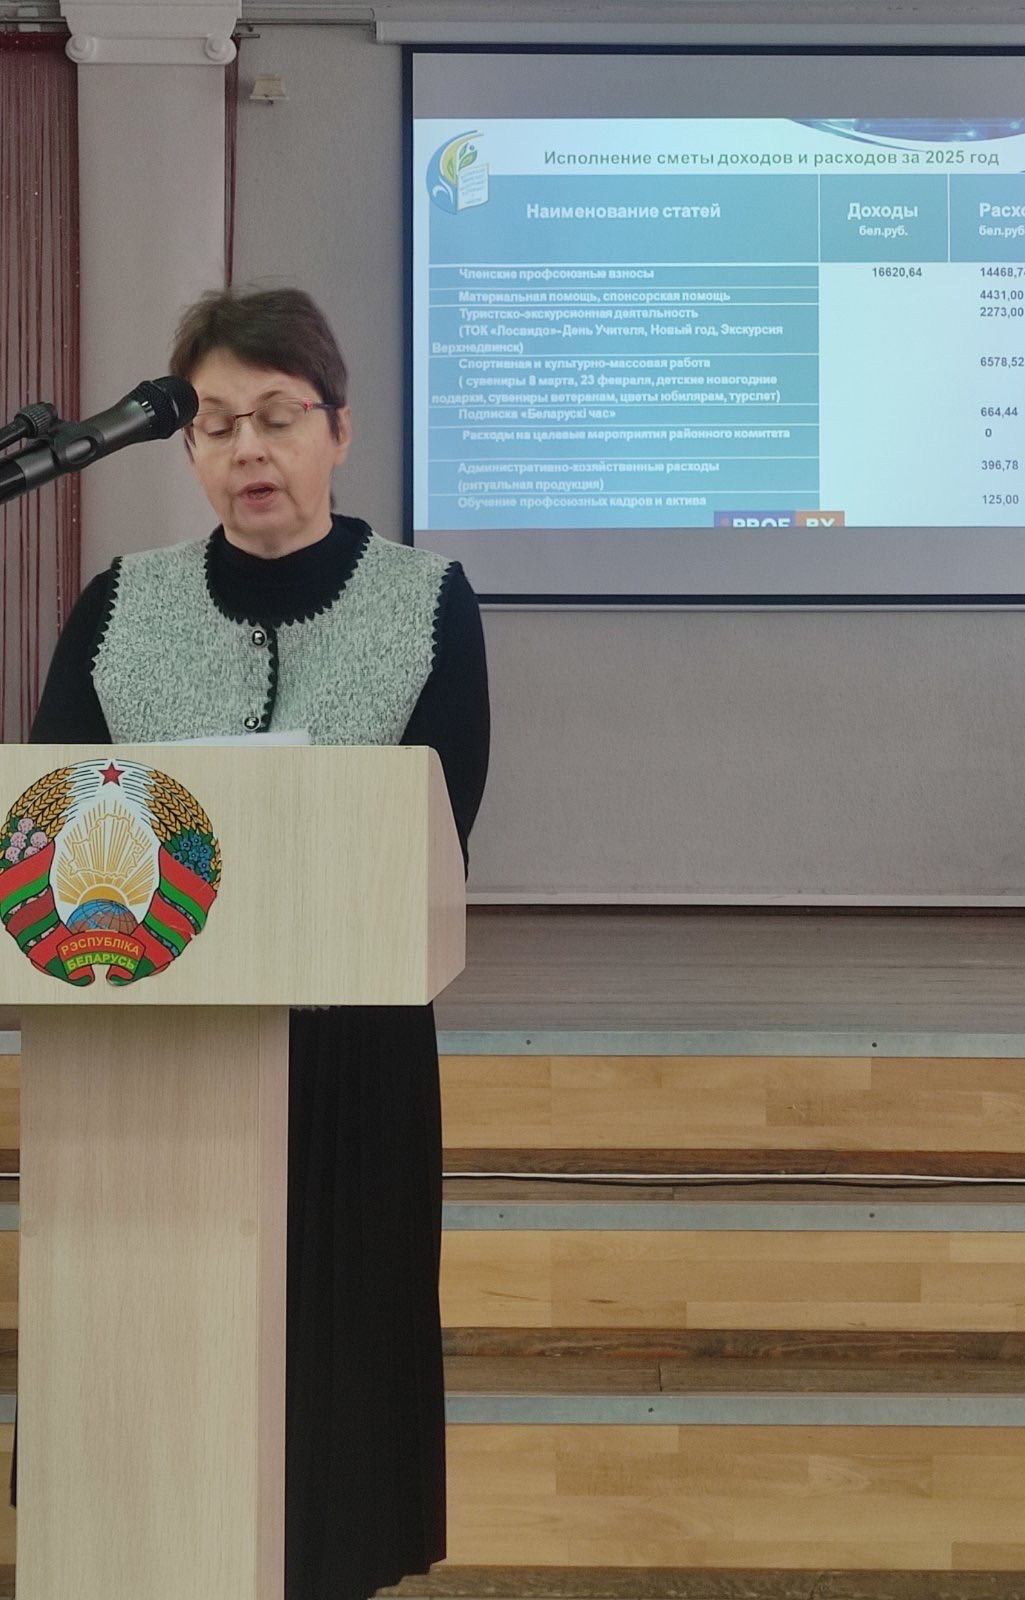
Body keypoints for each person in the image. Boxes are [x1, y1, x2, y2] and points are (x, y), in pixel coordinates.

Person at [22, 286, 490, 1600]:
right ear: (185, 446)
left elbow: (435, 834)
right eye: (218, 423)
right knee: (147, 1381)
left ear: (339, 429)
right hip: (143, 1057)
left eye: (277, 417)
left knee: (335, 1374)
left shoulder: (427, 601)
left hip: (350, 1057)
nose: (248, 450)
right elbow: (51, 824)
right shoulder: (120, 604)